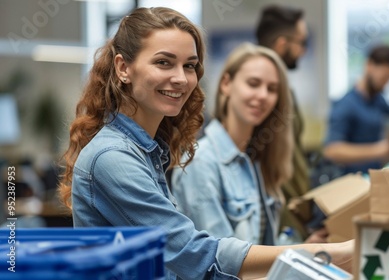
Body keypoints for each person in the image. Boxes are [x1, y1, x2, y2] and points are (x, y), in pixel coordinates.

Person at [58, 7, 353, 280]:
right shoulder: (113, 157)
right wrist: (331, 254)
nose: (181, 78)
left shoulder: (149, 151)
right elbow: (195, 255)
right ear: (123, 68)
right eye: (163, 62)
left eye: (189, 66)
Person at [171, 43, 293, 246]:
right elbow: (222, 260)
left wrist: (302, 251)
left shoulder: (256, 159)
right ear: (226, 84)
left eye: (272, 89)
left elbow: (262, 244)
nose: (263, 95)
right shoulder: (201, 163)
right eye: (253, 84)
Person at [255, 4, 326, 243]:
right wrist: (292, 235)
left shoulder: (285, 92)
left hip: (293, 215)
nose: (303, 51)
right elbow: (265, 178)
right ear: (282, 45)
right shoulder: (261, 101)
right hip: (280, 223)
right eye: (301, 43)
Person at [323, 44, 389, 175]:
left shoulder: (377, 100)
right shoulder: (346, 105)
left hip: (373, 176)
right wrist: (381, 149)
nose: (386, 83)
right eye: (384, 77)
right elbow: (332, 150)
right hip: (351, 181)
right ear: (369, 65)